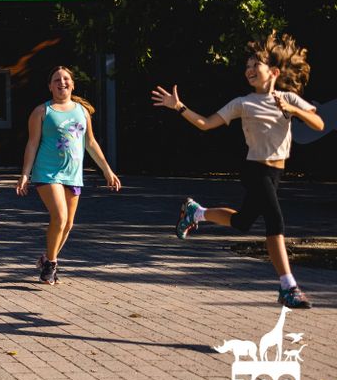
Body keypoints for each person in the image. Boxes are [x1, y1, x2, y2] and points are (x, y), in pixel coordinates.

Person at [152, 32, 324, 309]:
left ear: (274, 71)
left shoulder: (288, 98)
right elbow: (206, 124)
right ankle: (288, 287)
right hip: (254, 169)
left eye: (256, 65)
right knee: (275, 221)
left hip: (276, 173)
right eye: (247, 66)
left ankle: (196, 212)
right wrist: (179, 107)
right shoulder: (242, 103)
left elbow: (317, 123)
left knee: (243, 222)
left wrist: (293, 109)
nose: (250, 70)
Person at [17, 67, 121, 285]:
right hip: (47, 173)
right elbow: (32, 143)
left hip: (73, 174)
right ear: (50, 86)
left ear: (72, 84)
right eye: (56, 79)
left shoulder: (82, 111)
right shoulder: (42, 111)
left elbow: (90, 143)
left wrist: (107, 170)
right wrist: (25, 174)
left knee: (68, 224)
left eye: (66, 79)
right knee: (60, 217)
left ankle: (47, 258)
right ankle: (51, 265)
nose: (61, 82)